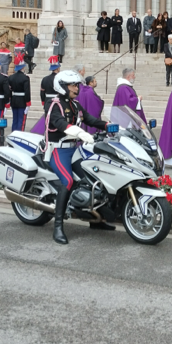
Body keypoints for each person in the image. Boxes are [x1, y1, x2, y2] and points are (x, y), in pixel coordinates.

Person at [43, 70, 110, 244]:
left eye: (77, 85)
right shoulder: (53, 104)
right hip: (58, 150)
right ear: (62, 86)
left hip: (75, 150)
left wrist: (109, 126)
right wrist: (80, 133)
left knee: (93, 179)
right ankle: (58, 227)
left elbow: (91, 120)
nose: (76, 88)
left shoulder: (75, 105)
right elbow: (60, 123)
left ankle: (95, 220)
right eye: (72, 85)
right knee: (67, 181)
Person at [9, 63, 32, 132]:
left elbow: (9, 89)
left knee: (15, 119)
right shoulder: (25, 78)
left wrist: (10, 98)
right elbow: (27, 91)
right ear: (22, 68)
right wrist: (28, 102)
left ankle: (13, 133)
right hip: (22, 100)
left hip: (14, 99)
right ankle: (19, 134)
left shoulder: (11, 77)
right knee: (21, 120)